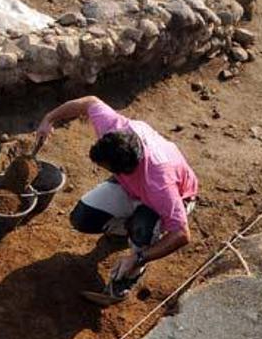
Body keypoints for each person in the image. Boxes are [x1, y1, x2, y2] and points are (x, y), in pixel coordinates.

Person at [36, 96, 198, 301]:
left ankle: (127, 277)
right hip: (132, 187)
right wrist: (49, 119)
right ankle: (125, 231)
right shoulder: (115, 129)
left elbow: (181, 234)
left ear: (125, 169)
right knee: (82, 217)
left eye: (107, 168)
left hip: (172, 198)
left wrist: (138, 258)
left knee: (143, 226)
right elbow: (88, 102)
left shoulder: (160, 184)